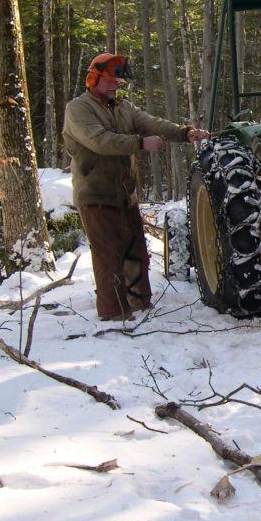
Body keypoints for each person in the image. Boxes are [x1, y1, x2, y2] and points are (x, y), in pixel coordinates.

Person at [63, 52, 209, 321]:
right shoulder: (78, 109)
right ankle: (113, 313)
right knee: (108, 255)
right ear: (93, 78)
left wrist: (185, 133)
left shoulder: (123, 108)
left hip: (124, 194)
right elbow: (100, 141)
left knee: (135, 249)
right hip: (95, 194)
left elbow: (152, 124)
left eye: (117, 82)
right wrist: (140, 144)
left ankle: (139, 303)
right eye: (109, 80)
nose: (114, 86)